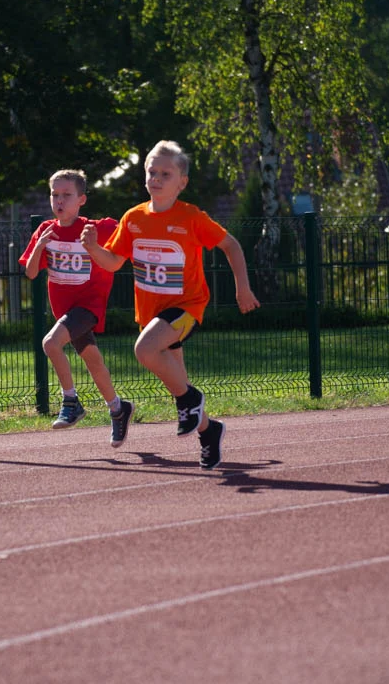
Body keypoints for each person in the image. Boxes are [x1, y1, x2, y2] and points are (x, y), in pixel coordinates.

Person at [81, 141, 260, 470]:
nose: (157, 178)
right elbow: (113, 262)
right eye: (152, 172)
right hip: (151, 314)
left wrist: (243, 288)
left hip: (186, 307)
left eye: (166, 174)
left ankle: (190, 399)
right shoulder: (133, 218)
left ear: (182, 182)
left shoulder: (191, 217)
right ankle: (208, 430)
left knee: (144, 350)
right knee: (178, 381)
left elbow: (231, 245)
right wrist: (93, 248)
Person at [19, 169, 135, 447]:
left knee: (50, 344)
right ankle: (118, 409)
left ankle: (70, 402)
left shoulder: (96, 229)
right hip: (65, 311)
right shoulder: (45, 231)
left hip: (87, 307)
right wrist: (40, 246)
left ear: (81, 199)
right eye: (54, 195)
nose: (59, 200)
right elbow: (32, 273)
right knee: (94, 361)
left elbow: (127, 236)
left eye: (67, 195)